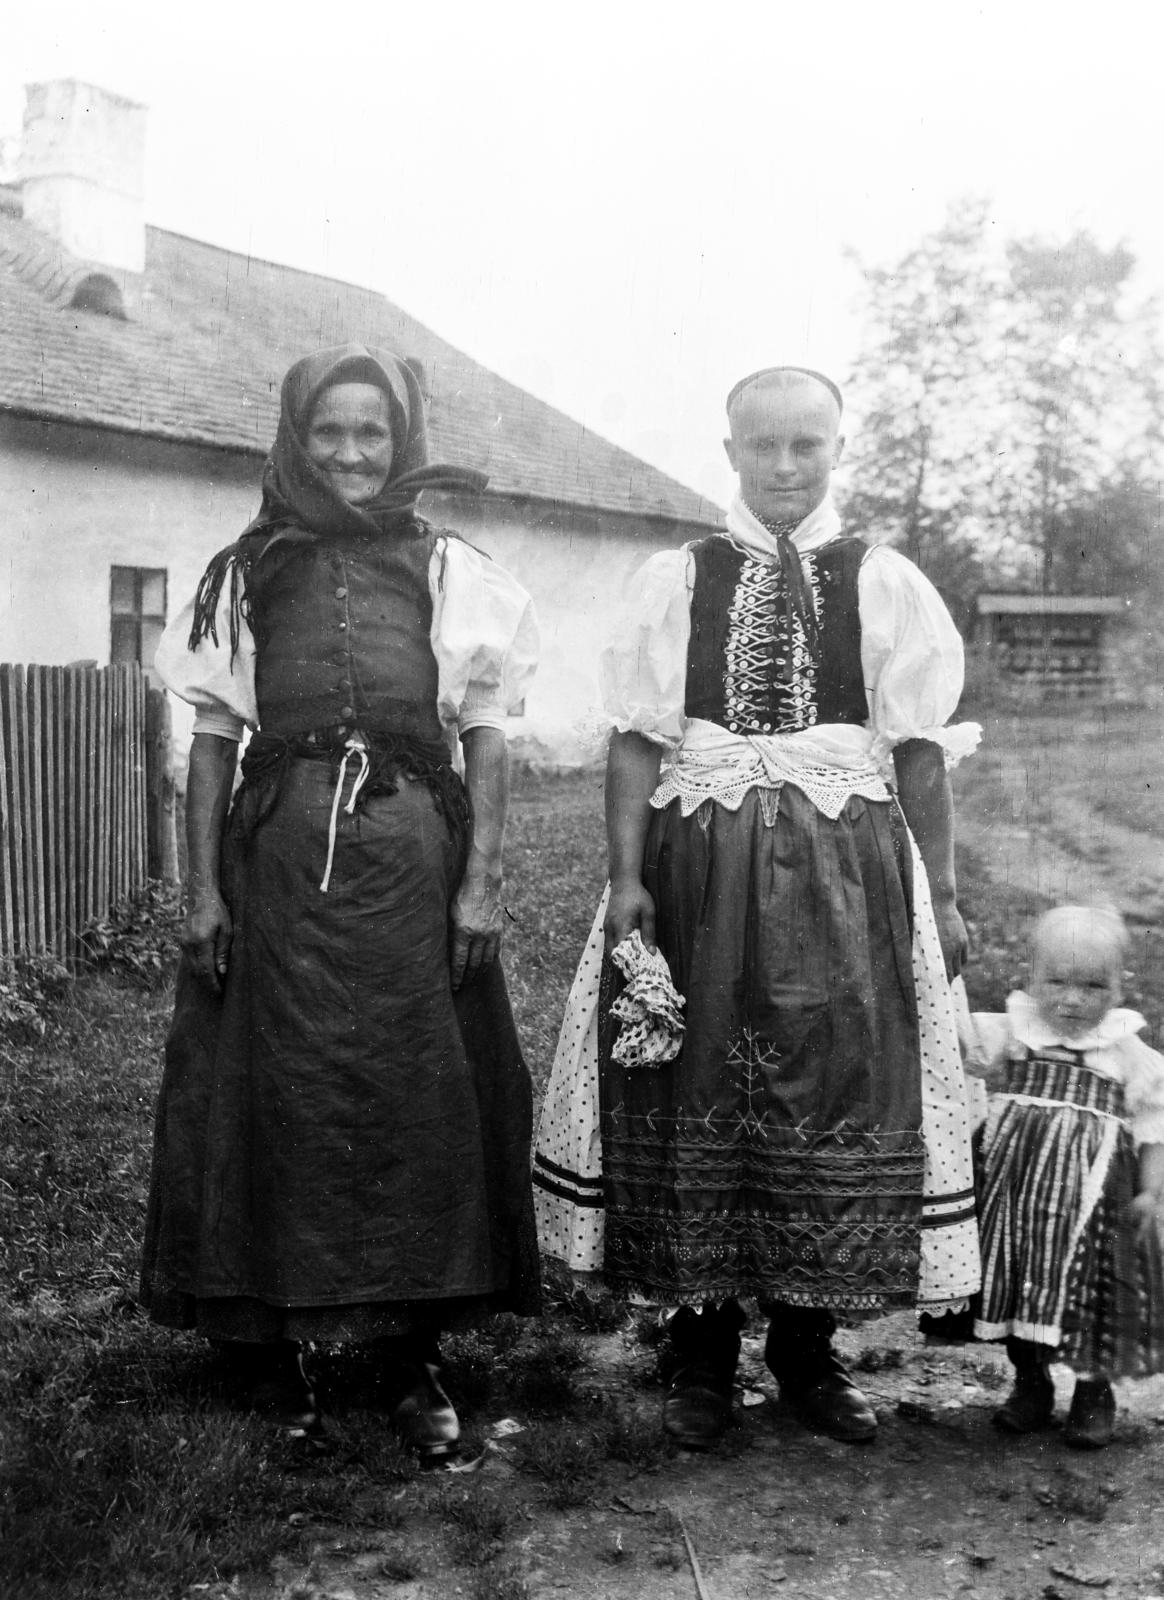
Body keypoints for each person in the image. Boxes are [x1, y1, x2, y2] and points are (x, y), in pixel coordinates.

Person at [534, 365, 981, 1446]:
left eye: (808, 446)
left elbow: (919, 753)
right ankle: (697, 1350)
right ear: (729, 451)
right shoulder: (677, 577)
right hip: (700, 870)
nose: (786, 466)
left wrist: (947, 893)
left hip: (847, 874)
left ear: (836, 450)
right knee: (695, 1076)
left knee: (836, 1079)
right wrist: (628, 876)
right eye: (765, 446)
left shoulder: (885, 581)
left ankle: (807, 1350)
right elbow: (638, 739)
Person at [140, 344, 541, 1459]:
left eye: (373, 432)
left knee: (415, 1080)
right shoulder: (247, 570)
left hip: (412, 851)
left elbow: (486, 732)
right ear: (295, 439)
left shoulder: (449, 568)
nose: (353, 453)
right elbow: (213, 741)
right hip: (278, 855)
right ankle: (279, 1339)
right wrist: (204, 894)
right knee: (283, 1081)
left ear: (400, 441)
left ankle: (411, 1350)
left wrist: (481, 881)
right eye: (331, 432)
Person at [963, 905, 1164, 1449]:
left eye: (1093, 986)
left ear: (1118, 989)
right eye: (1057, 982)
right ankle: (1031, 1384)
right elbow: (956, 1047)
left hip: (1092, 1203)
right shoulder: (1014, 1030)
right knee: (1018, 1281)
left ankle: (1093, 1393)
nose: (1072, 1000)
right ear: (1031, 979)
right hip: (1018, 1195)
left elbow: (1152, 1125)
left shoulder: (1126, 1051)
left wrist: (1150, 1189)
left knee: (1087, 1293)